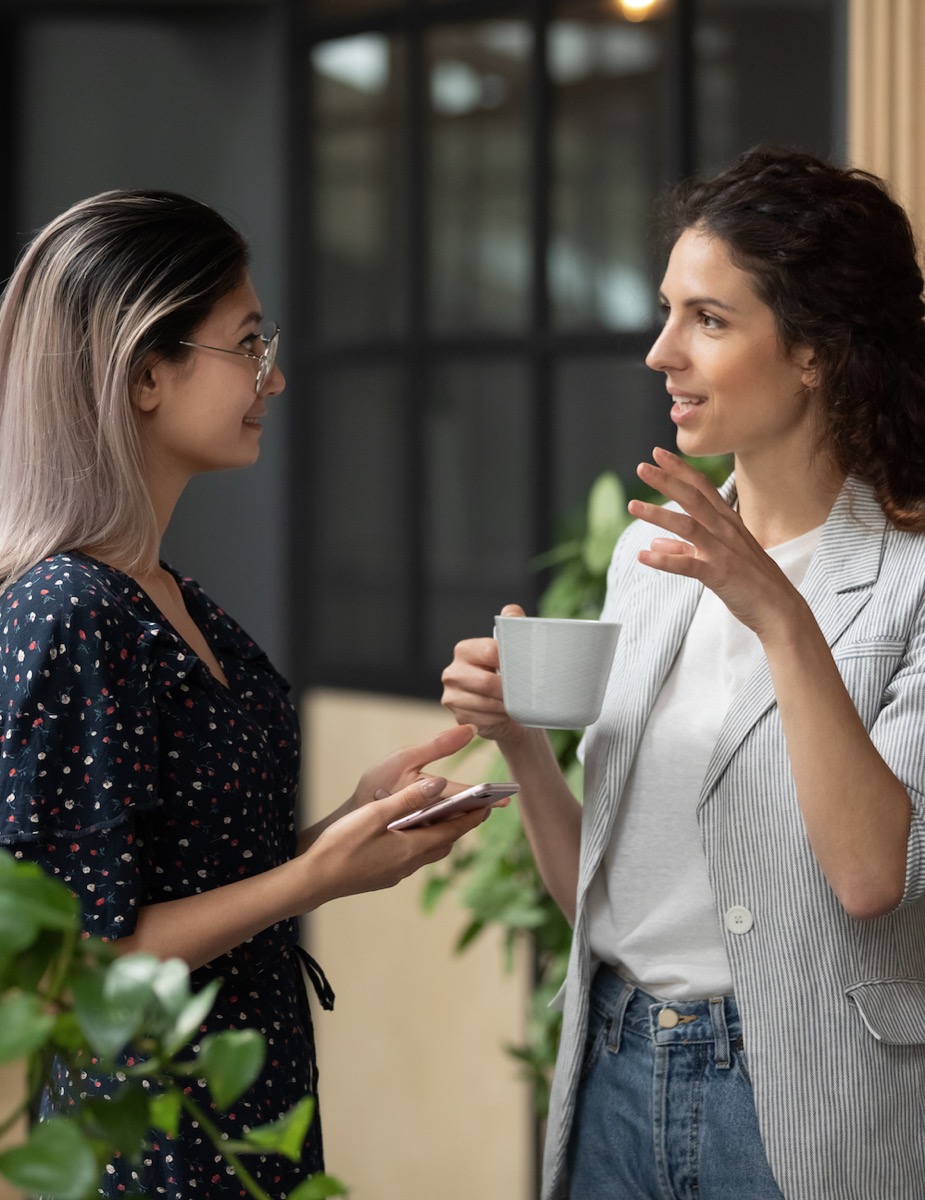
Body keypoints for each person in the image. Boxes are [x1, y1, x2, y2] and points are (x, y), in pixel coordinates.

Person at [441, 145, 925, 1200]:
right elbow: (603, 906)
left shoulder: (909, 579)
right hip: (615, 1076)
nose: (661, 351)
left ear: (816, 352)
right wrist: (522, 744)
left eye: (708, 319)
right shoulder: (647, 558)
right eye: (667, 311)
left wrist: (776, 614)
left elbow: (869, 879)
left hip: (795, 1107)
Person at [0, 189, 489, 1199]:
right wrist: (310, 880)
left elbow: (186, 884)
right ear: (144, 374)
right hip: (154, 1148)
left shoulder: (172, 601)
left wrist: (345, 832)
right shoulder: (67, 610)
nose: (275, 377)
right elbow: (75, 969)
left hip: (248, 1121)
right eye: (247, 343)